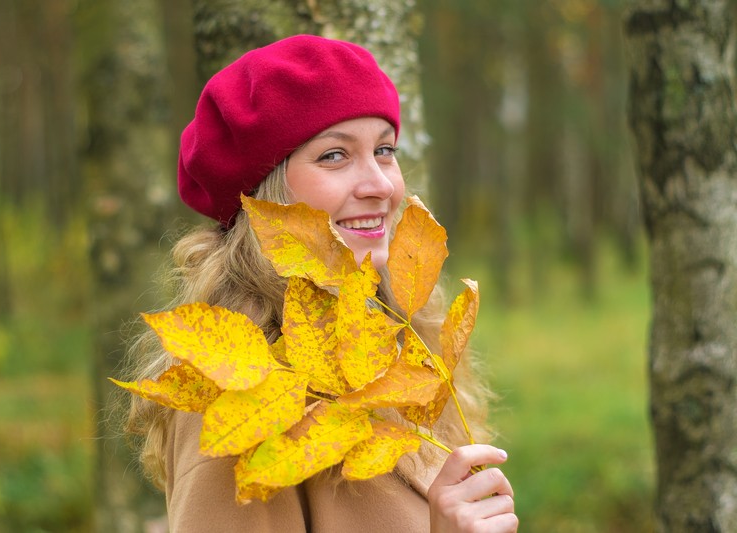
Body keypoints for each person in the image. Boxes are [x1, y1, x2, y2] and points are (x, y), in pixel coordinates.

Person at [124, 34, 518, 532]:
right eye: (334, 155)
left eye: (384, 150)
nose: (379, 184)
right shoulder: (237, 395)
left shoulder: (400, 345)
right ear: (264, 200)